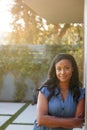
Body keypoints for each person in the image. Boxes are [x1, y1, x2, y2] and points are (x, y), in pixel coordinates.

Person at [33, 53, 85, 130]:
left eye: (67, 68)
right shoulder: (45, 90)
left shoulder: (80, 93)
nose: (63, 72)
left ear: (72, 68)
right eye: (59, 69)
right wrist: (70, 121)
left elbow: (78, 122)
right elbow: (40, 120)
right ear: (55, 70)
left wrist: (49, 120)